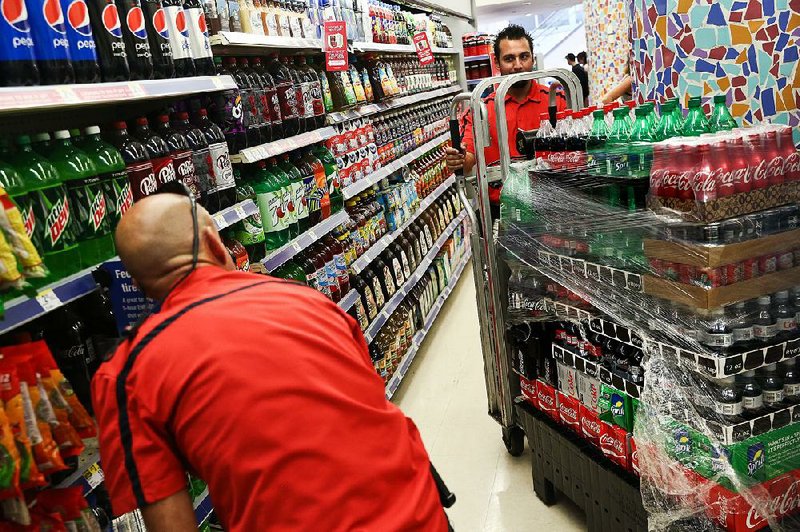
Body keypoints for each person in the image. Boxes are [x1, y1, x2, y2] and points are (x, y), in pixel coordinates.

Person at [91, 188, 451, 531]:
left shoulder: (125, 375)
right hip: (420, 512)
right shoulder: (308, 301)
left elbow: (170, 522)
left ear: (137, 285)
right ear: (216, 245)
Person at [445, 24, 566, 207]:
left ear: (532, 58)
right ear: (497, 62)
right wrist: (459, 159)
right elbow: (468, 158)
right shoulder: (481, 109)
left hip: (553, 204)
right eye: (509, 59)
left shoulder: (555, 100)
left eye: (523, 57)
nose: (518, 66)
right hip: (501, 208)